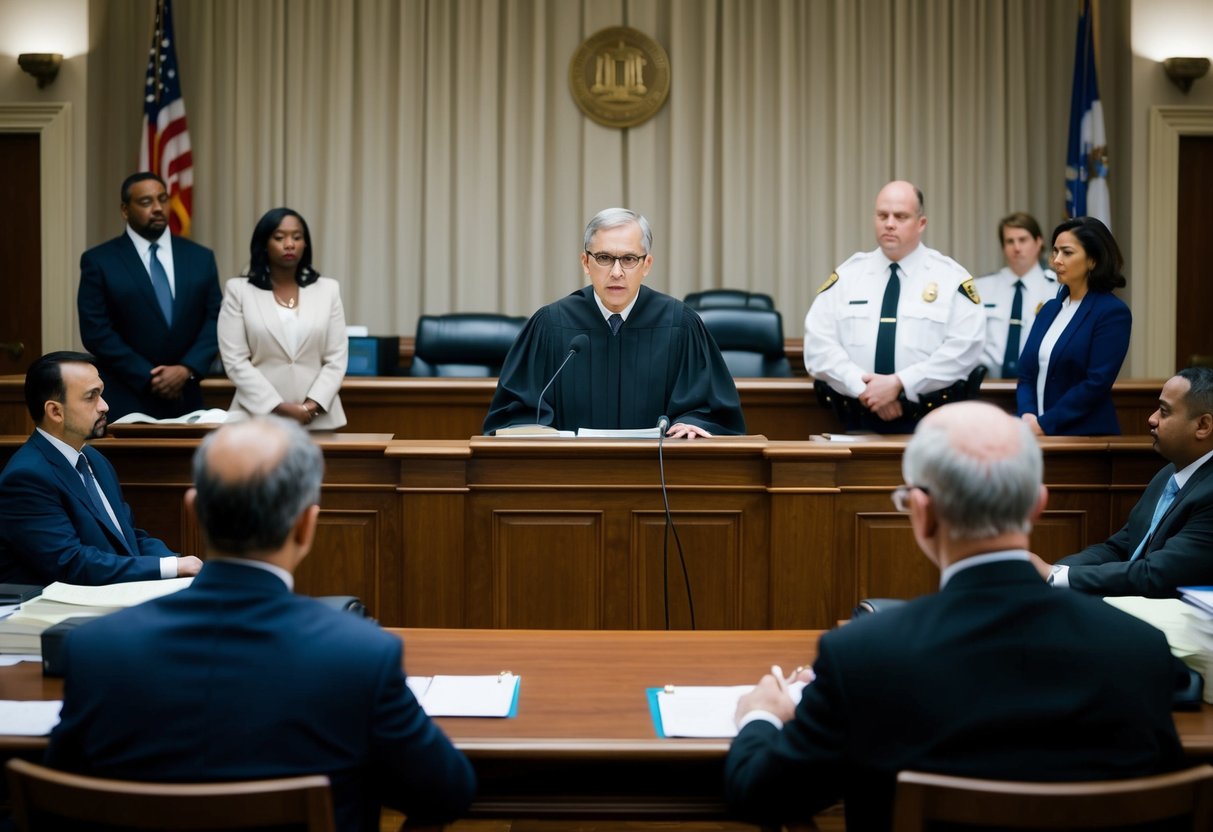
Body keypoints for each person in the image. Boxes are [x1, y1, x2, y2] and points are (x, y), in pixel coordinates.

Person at [725, 401, 1184, 830]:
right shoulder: (1139, 650)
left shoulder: (863, 659)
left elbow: (763, 795)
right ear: (1037, 506)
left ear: (922, 514)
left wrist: (761, 715)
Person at [45, 416, 476, 830]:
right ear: (307, 525)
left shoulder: (96, 650)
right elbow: (447, 792)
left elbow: (57, 798)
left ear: (194, 511)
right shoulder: (361, 656)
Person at [483, 208, 745, 437]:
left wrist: (692, 423)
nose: (617, 272)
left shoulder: (681, 324)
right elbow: (515, 414)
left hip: (658, 479)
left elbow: (712, 410)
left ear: (647, 264)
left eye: (629, 259)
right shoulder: (550, 325)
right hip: (569, 478)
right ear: (585, 262)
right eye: (604, 258)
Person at [0, 352, 202, 585]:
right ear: (55, 412)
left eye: (101, 393)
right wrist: (170, 567)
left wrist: (176, 562)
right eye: (91, 397)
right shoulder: (26, 478)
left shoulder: (93, 459)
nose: (104, 406)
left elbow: (128, 537)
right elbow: (72, 563)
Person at [804, 181, 985, 433]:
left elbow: (966, 349)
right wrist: (866, 389)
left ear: (921, 223)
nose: (889, 223)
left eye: (900, 216)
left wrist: (901, 384)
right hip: (857, 420)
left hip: (932, 423)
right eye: (882, 215)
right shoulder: (848, 276)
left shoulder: (951, 279)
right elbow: (818, 346)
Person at [1035, 367, 1213, 596]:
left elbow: (1157, 574)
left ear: (1203, 426)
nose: (1152, 419)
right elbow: (1118, 548)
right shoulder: (1168, 474)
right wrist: (1055, 571)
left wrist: (1054, 575)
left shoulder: (1209, 493)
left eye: (1164, 411)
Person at [78, 172, 222, 420]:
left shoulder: (200, 258)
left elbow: (216, 319)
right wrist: (149, 376)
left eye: (162, 199)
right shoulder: (99, 260)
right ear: (125, 210)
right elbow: (96, 330)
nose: (157, 208)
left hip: (188, 396)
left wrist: (186, 369)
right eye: (145, 202)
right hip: (126, 396)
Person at [218, 208, 348, 429]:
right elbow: (235, 360)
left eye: (297, 237)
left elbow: (336, 359)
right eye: (279, 237)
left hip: (317, 420)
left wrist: (310, 406)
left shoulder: (328, 290)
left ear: (305, 244)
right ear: (264, 244)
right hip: (256, 418)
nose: (289, 244)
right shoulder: (238, 291)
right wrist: (278, 406)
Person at [1016, 216, 1131, 436]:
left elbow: (1096, 383)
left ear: (1093, 260)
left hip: (1084, 436)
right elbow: (1026, 375)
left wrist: (1044, 424)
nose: (1056, 260)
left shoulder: (1111, 312)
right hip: (1034, 432)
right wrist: (1028, 415)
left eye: (1067, 253)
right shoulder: (1049, 309)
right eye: (1055, 251)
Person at [974, 212, 1058, 379]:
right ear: (1003, 247)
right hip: (988, 386)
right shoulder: (980, 288)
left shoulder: (1057, 290)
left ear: (1038, 242)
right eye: (1010, 241)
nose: (1017, 248)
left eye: (1023, 240)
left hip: (1040, 387)